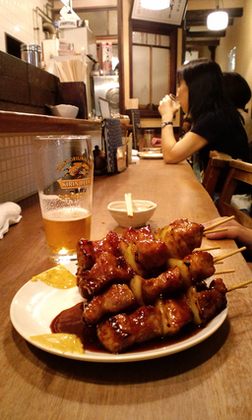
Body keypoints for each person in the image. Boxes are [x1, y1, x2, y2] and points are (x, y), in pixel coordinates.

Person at [158, 58, 249, 179]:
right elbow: (175, 151)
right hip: (220, 194)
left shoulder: (214, 118)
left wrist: (166, 116)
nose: (178, 94)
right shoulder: (215, 115)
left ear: (196, 88)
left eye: (180, 86)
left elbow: (170, 156)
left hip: (230, 197)